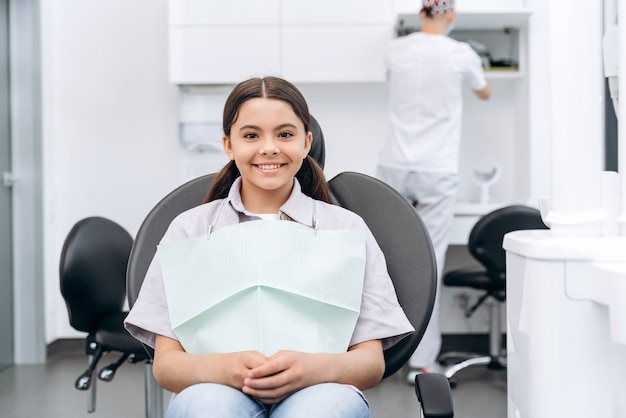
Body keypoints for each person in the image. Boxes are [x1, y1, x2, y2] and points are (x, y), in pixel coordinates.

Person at [125, 76, 414, 418]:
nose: (269, 148)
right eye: (251, 135)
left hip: (320, 388)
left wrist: (310, 369)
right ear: (228, 145)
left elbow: (370, 362)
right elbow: (166, 365)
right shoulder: (189, 230)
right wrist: (225, 369)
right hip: (214, 389)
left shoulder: (346, 229)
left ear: (306, 142)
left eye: (285, 134)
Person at [376, 0, 492, 384]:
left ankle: (379, 353)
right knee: (432, 262)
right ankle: (423, 363)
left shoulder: (395, 50)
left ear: (421, 12)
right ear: (451, 14)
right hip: (437, 168)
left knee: (383, 261)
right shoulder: (461, 54)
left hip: (394, 163)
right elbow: (485, 93)